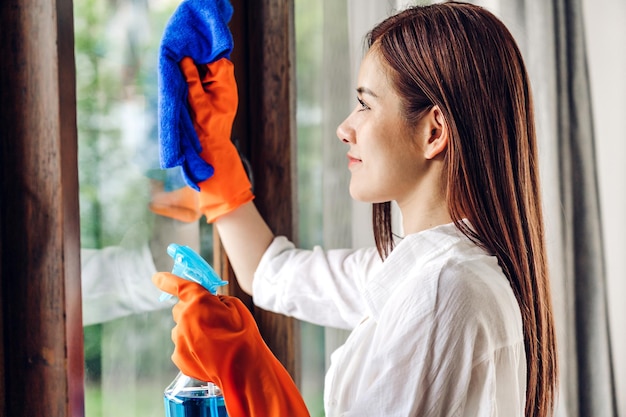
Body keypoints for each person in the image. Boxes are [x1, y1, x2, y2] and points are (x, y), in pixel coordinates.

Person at [153, 2, 559, 416]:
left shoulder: (440, 292)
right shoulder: (434, 270)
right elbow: (270, 272)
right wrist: (217, 162)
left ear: (434, 131)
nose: (344, 128)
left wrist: (248, 371)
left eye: (365, 105)